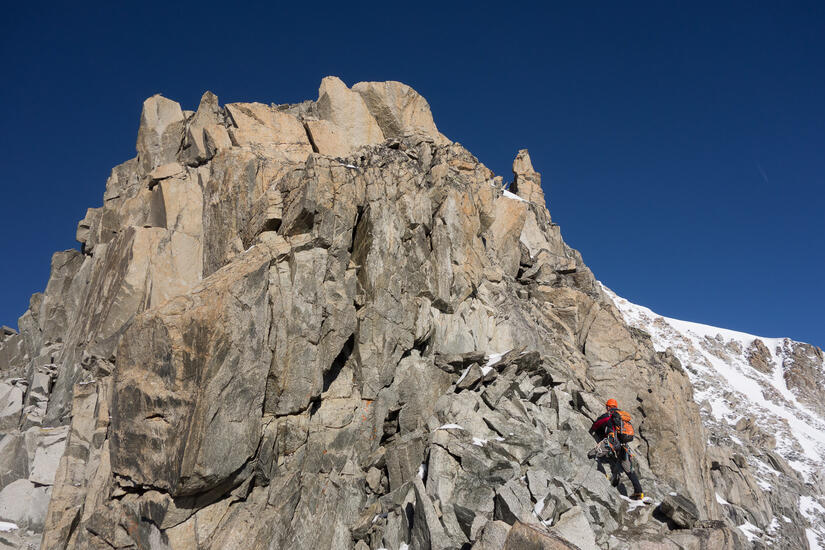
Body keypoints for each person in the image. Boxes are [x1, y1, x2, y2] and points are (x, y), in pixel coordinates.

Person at [588, 398, 644, 500]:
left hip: (612, 442)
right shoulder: (622, 417)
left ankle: (603, 477)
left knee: (592, 455)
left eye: (607, 407)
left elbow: (596, 424)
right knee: (629, 469)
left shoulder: (608, 415)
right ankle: (639, 492)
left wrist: (590, 432)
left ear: (608, 407)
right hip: (624, 446)